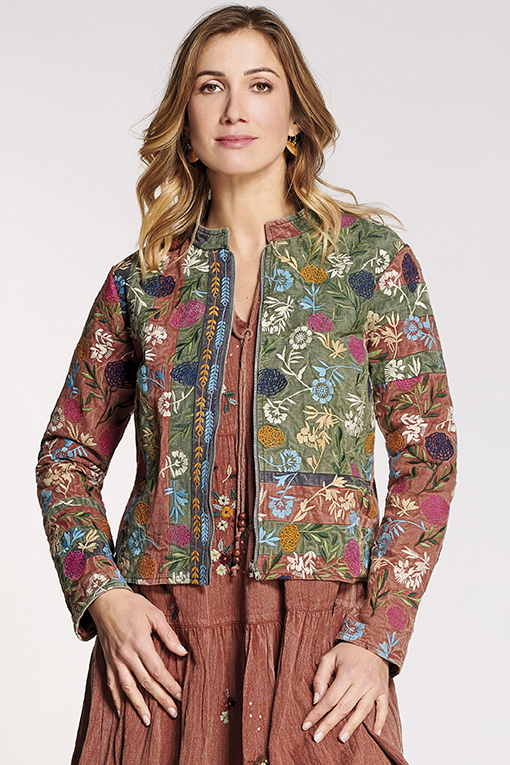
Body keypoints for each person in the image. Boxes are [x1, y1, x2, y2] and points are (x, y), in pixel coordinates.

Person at [35, 5, 457, 764]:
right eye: (210, 87)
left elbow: (428, 457)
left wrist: (378, 637)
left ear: (295, 117)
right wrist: (104, 595)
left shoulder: (369, 264)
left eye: (260, 86)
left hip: (321, 657)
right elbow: (67, 454)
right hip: (161, 661)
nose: (235, 109)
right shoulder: (142, 283)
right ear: (185, 119)